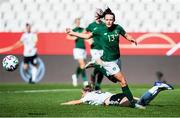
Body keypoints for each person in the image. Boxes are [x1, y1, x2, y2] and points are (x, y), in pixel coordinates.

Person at [66, 8, 138, 108]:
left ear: (114, 20)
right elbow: (87, 36)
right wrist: (73, 33)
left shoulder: (118, 28)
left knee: (114, 80)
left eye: (111, 19)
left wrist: (132, 39)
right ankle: (133, 104)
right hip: (109, 61)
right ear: (104, 20)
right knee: (123, 80)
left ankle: (97, 65)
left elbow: (126, 35)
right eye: (107, 19)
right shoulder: (99, 29)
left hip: (117, 59)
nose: (109, 21)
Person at [61, 82, 174, 109]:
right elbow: (119, 95)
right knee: (142, 104)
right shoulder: (96, 93)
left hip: (113, 99)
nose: (81, 96)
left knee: (140, 105)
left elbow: (76, 102)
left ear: (85, 92)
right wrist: (135, 98)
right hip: (117, 96)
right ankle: (157, 88)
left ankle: (157, 87)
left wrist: (63, 103)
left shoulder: (88, 95)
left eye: (82, 93)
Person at [85, 8, 105, 90]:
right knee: (99, 64)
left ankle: (97, 84)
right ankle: (93, 64)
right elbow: (84, 34)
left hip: (103, 49)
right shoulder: (91, 25)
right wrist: (88, 40)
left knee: (102, 68)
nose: (98, 17)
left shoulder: (104, 25)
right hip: (95, 49)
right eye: (97, 15)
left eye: (99, 15)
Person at [66, 18, 89, 87]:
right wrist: (74, 37)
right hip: (77, 49)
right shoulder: (74, 30)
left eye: (79, 22)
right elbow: (68, 36)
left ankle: (75, 76)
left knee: (82, 65)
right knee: (82, 64)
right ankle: (85, 81)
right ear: (75, 23)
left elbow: (85, 36)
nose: (78, 23)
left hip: (83, 49)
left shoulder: (82, 29)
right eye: (77, 22)